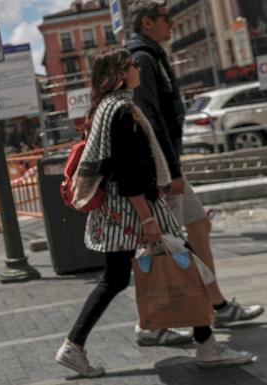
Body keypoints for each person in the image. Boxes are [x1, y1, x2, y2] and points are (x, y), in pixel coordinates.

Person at [54, 48, 254, 378]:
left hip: (116, 212)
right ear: (120, 74)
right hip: (135, 210)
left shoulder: (105, 107)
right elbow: (128, 171)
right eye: (132, 66)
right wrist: (147, 218)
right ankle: (207, 346)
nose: (138, 70)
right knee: (192, 267)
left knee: (114, 279)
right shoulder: (122, 111)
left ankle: (73, 346)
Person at [126, 0, 264, 346]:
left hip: (169, 165)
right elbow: (150, 118)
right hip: (162, 169)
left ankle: (216, 306)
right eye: (164, 18)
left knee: (199, 225)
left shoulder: (150, 54)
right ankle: (152, 323)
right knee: (162, 245)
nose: (171, 23)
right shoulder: (142, 58)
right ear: (147, 23)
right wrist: (170, 170)